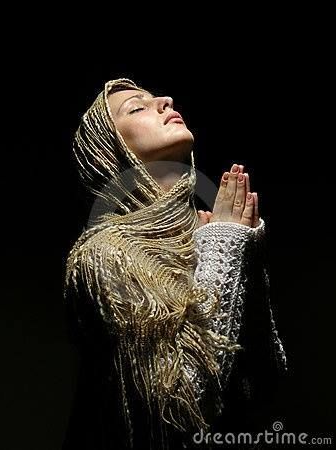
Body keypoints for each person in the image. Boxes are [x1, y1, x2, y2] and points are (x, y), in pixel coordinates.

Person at [62, 78, 287, 450]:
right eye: (137, 107)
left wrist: (243, 250)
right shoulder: (105, 253)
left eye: (155, 98)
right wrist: (226, 247)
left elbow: (266, 378)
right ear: (111, 152)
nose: (165, 100)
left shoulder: (206, 237)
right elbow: (182, 410)